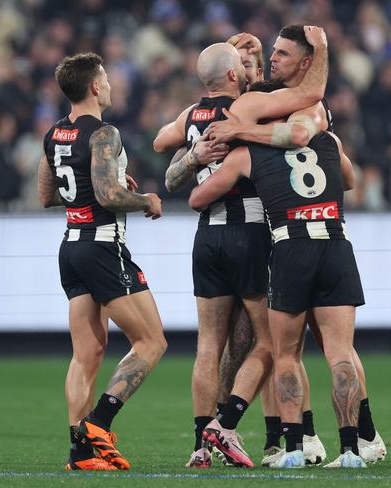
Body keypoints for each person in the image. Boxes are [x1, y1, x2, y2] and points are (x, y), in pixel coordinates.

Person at [206, 27, 386, 466]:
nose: (272, 60)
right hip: (330, 237)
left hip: (289, 243)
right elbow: (346, 175)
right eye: (270, 54)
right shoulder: (310, 110)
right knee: (334, 348)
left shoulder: (299, 106)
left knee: (291, 350)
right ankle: (355, 441)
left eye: (282, 54)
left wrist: (242, 133)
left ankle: (304, 441)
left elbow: (295, 135)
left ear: (307, 63)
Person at [151, 26, 328, 468]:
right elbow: (309, 93)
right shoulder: (247, 109)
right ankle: (249, 429)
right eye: (244, 65)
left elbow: (159, 141)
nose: (254, 69)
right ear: (233, 75)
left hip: (205, 235)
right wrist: (320, 51)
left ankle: (200, 445)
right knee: (273, 345)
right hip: (249, 232)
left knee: (208, 345)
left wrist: (193, 156)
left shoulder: (192, 113)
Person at [39, 52, 167, 471]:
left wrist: (101, 183)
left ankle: (79, 452)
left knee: (87, 354)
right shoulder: (104, 133)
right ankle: (99, 423)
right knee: (152, 342)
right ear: (95, 86)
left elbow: (47, 195)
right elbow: (110, 198)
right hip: (102, 245)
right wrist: (144, 199)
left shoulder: (54, 133)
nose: (110, 84)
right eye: (106, 78)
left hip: (71, 247)